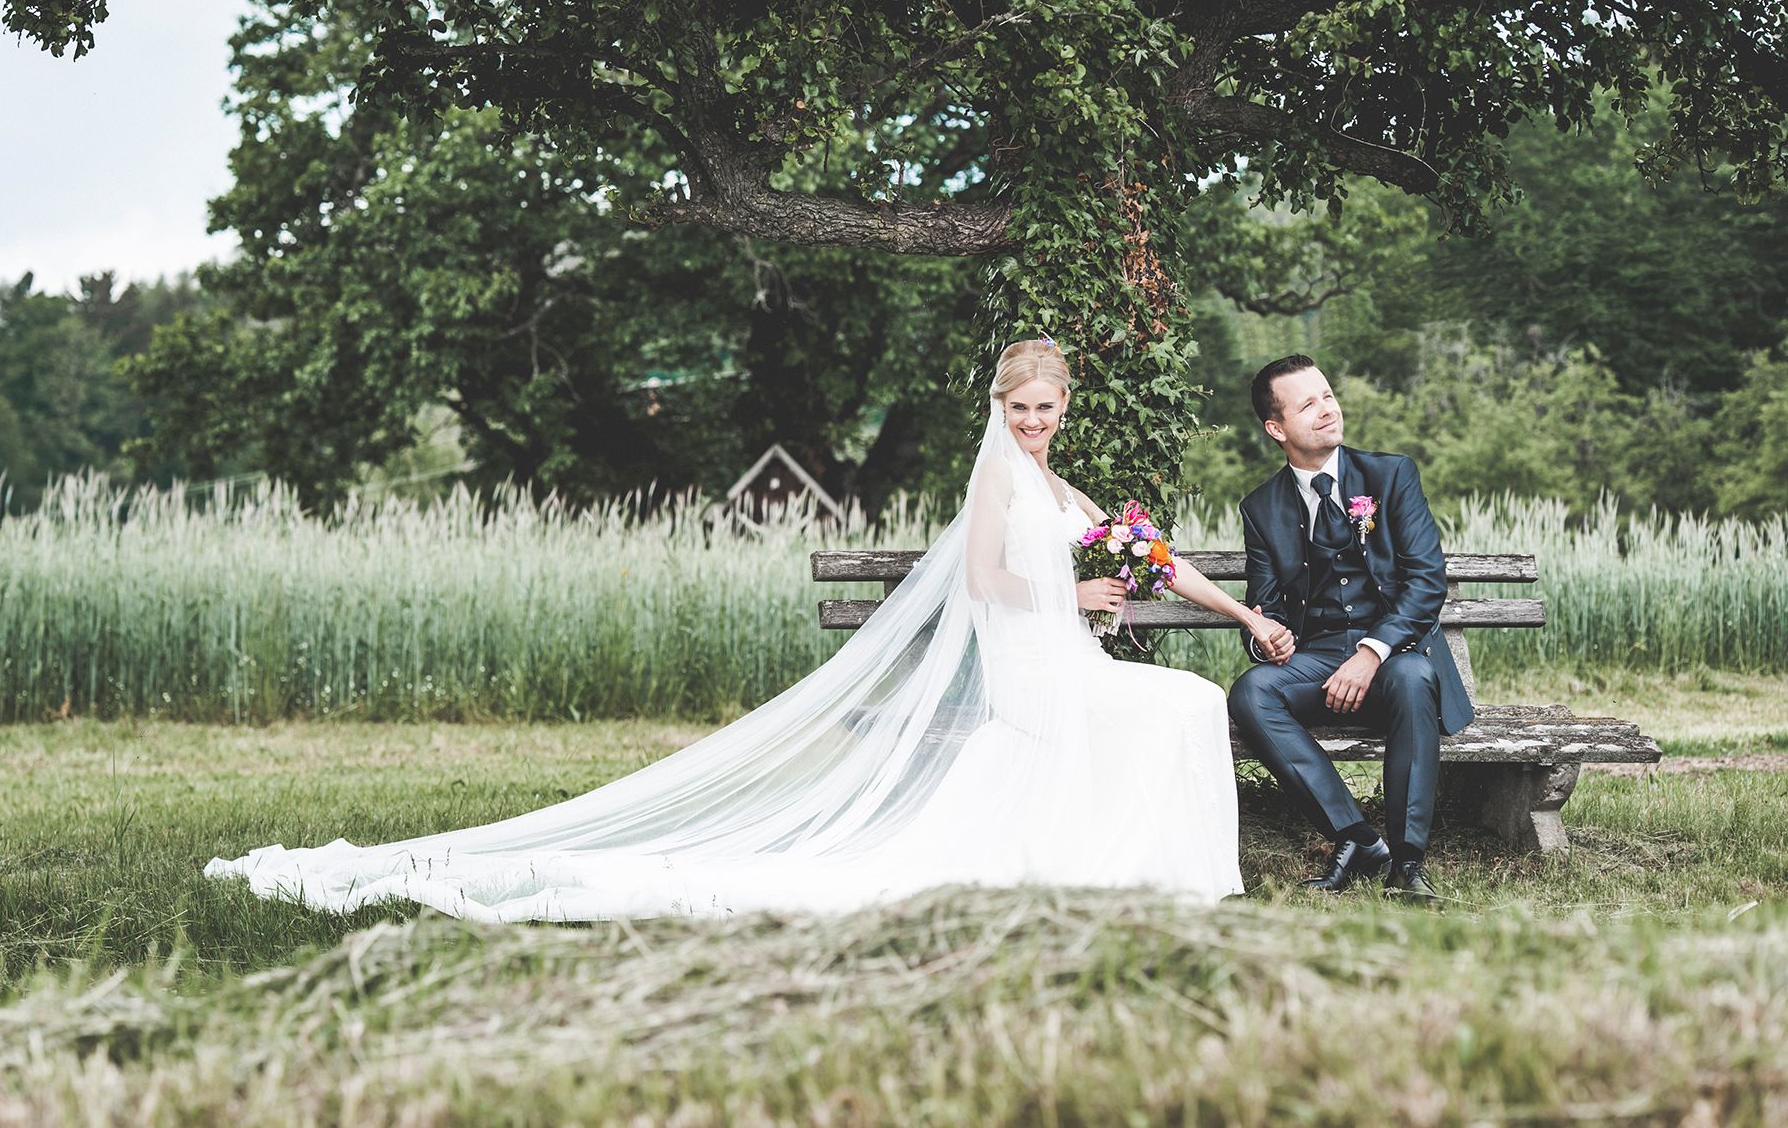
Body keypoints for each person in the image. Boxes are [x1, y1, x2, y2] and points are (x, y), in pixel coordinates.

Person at [207, 340, 1284, 920]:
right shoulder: (998, 486)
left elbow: (1152, 558)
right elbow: (985, 583)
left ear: (1064, 410)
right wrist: (1081, 604)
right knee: (1184, 704)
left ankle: (1139, 868)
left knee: (1182, 701)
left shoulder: (1066, 484)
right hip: (1033, 674)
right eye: (1020, 411)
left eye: (1047, 410)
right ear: (999, 410)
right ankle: (1144, 872)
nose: (1034, 424)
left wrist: (1241, 612)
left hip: (1070, 667)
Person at [1227, 355, 1473, 904]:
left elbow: (1426, 582)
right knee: (1252, 690)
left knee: (1412, 677)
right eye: (1307, 403)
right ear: (1276, 428)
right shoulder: (1262, 508)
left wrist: (1370, 652)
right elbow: (1263, 604)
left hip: (1395, 656)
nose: (1326, 409)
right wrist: (1267, 634)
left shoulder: (1391, 475)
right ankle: (1357, 838)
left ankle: (1408, 864)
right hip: (1316, 662)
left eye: (1328, 395)